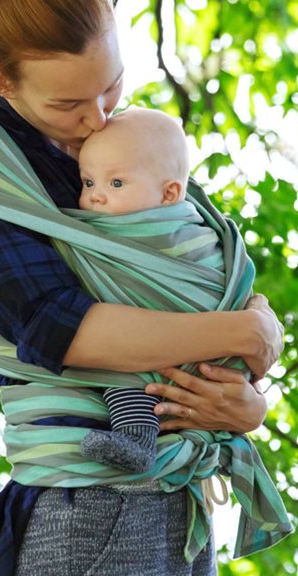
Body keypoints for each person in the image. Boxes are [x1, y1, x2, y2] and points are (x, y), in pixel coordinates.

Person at [0, 0, 286, 576]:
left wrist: (244, 400)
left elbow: (195, 276)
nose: (96, 118)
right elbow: (54, 325)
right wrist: (241, 330)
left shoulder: (122, 144)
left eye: (111, 87)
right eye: (68, 104)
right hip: (88, 503)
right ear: (4, 81)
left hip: (178, 499)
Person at [72, 107, 228, 473]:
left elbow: (222, 275)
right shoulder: (111, 226)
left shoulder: (184, 232)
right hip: (200, 350)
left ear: (169, 193)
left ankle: (136, 440)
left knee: (122, 365)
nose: (95, 197)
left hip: (190, 350)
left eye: (116, 183)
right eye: (88, 182)